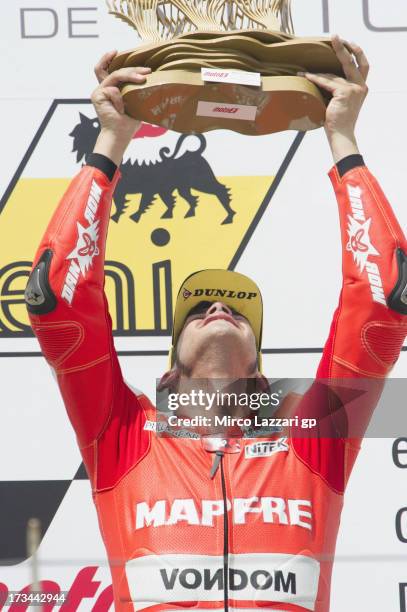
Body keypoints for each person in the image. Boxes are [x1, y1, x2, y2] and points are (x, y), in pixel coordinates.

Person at [25, 36, 407, 611]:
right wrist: (112, 140)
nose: (218, 310)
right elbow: (56, 299)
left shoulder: (311, 443)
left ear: (259, 373)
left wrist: (342, 139)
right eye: (198, 311)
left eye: (234, 311)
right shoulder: (120, 433)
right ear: (171, 370)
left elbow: (383, 303)